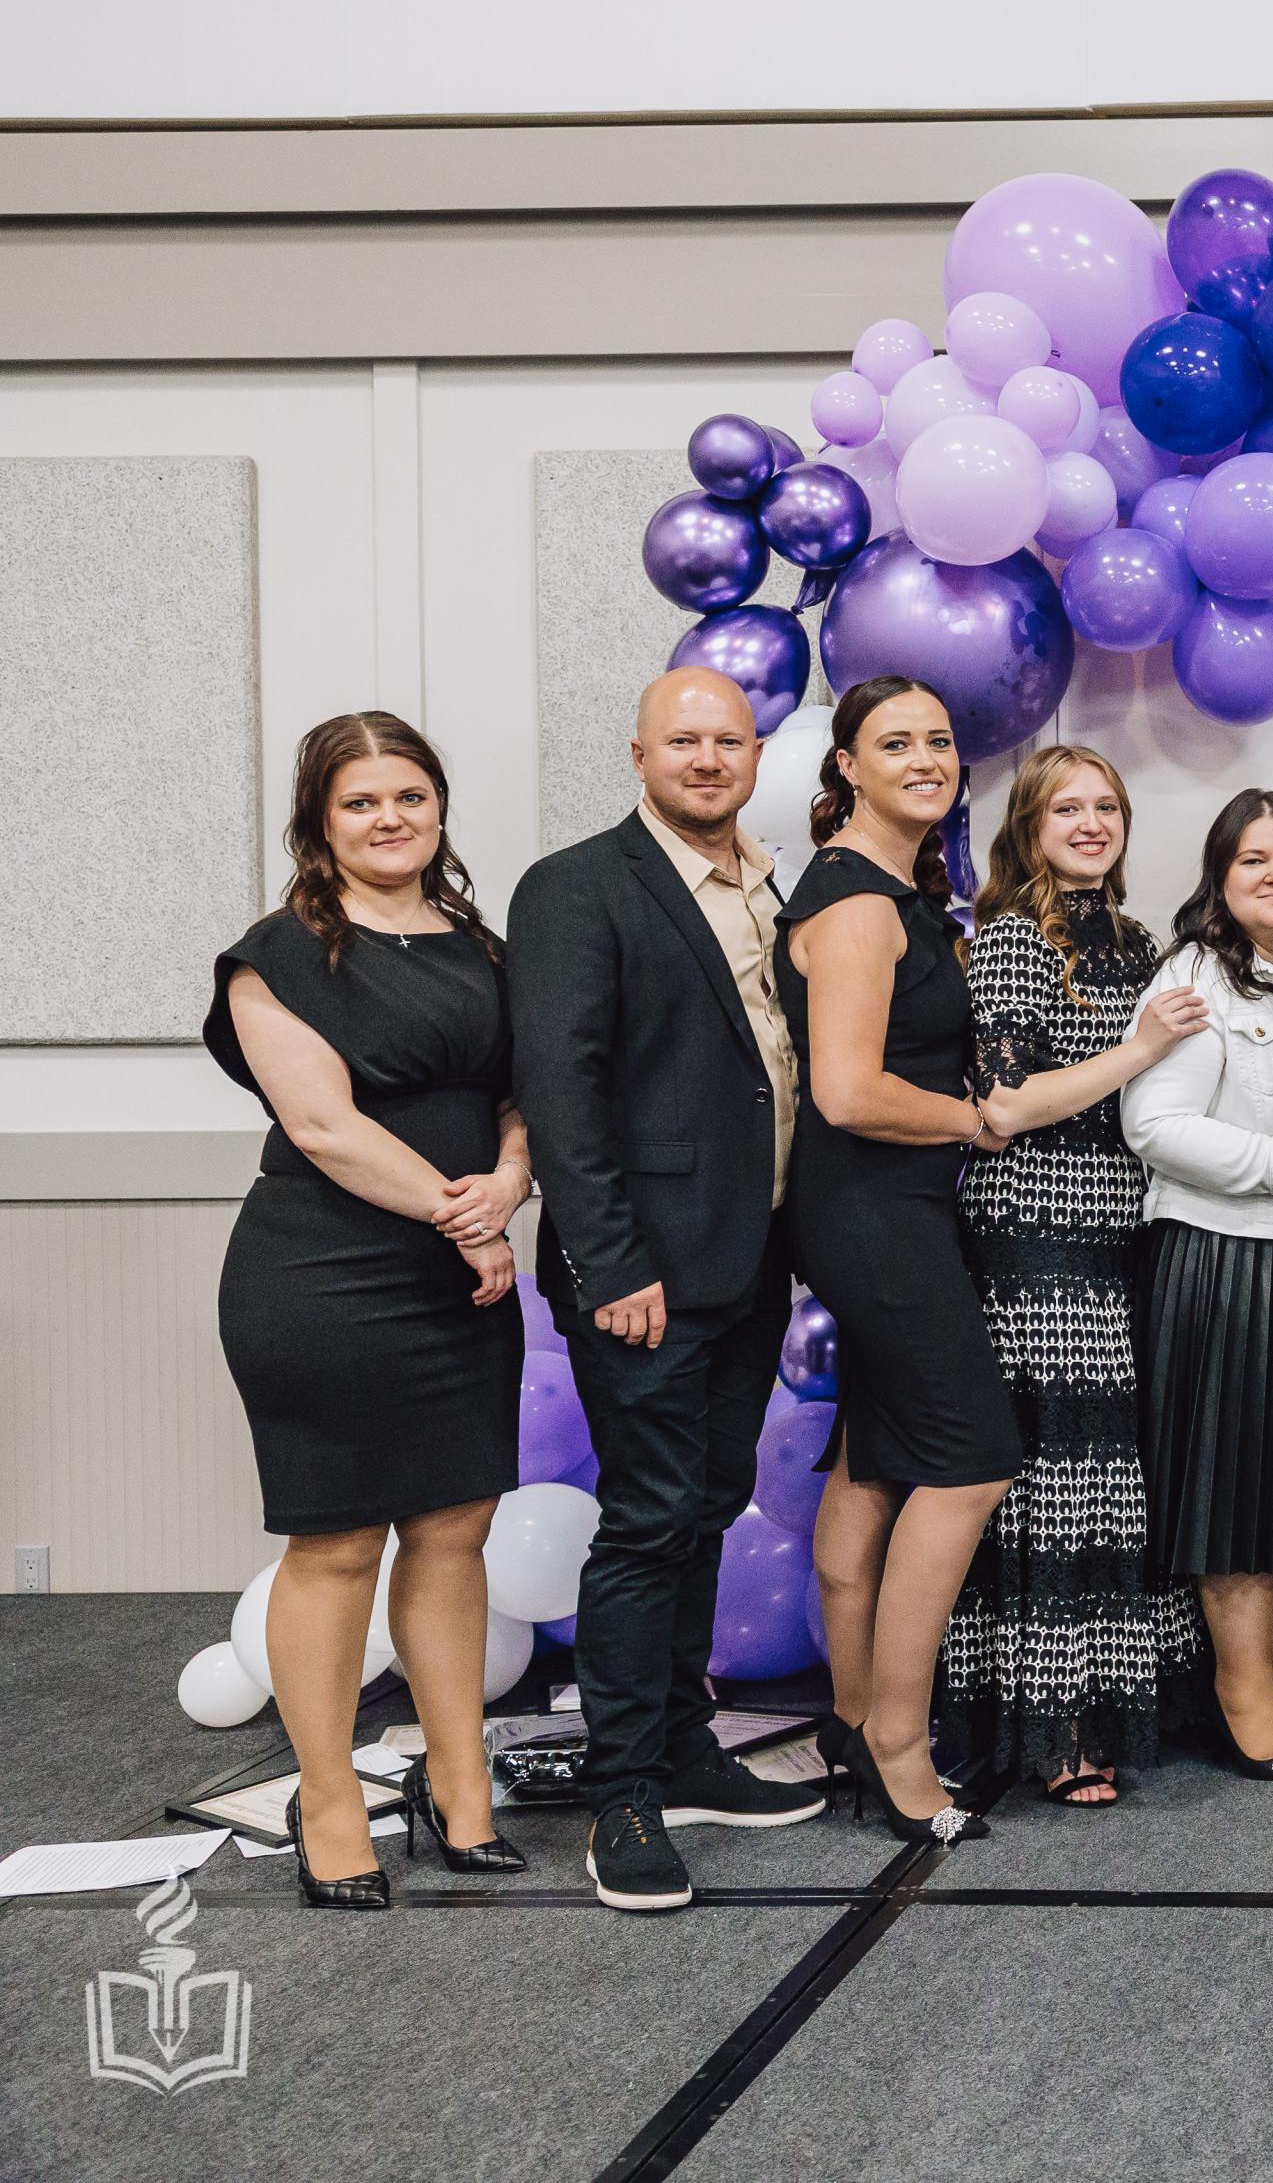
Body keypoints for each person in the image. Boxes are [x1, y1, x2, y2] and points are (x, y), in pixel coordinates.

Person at [512, 668, 827, 1913]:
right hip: (643, 1268)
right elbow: (561, 1087)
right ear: (636, 753)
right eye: (681, 739)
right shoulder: (576, 887)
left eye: (727, 740)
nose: (706, 758)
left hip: (751, 1256)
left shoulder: (771, 883)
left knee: (703, 1504)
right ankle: (624, 1791)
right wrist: (610, 1262)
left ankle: (687, 1746)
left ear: (756, 755)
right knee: (647, 1518)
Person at [207, 713, 529, 1906]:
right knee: (338, 1541)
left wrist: (511, 1177)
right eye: (360, 801)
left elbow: (520, 1095)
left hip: (460, 1278)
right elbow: (324, 1125)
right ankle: (330, 1796)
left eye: (410, 795)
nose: (390, 818)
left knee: (454, 1528)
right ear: (319, 820)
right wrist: (468, 1219)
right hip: (323, 1274)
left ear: (438, 806)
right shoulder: (275, 955)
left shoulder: (485, 948)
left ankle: (459, 1781)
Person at [939, 745, 1212, 1806]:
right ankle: (1053, 1733)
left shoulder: (1138, 942)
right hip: (1035, 1244)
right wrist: (1140, 1048)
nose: (1091, 822)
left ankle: (1109, 1708)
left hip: (1121, 1239)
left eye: (1107, 805)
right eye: (1067, 808)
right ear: (1029, 826)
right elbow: (1003, 1106)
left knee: (1108, 1491)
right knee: (1055, 1491)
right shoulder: (1012, 938)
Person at [781, 677, 1017, 1847]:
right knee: (971, 1459)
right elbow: (846, 1090)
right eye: (894, 742)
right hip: (869, 1209)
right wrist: (973, 1119)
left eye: (939, 738)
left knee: (875, 1458)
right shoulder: (859, 903)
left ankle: (847, 1714)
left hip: (890, 1206)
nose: (925, 756)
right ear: (847, 768)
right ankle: (896, 1742)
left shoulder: (899, 892)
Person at [1122, 787, 1273, 1784]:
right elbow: (1153, 1126)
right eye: (1254, 858)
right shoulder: (1193, 976)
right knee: (1235, 1496)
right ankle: (1243, 1694)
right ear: (1220, 876)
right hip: (1223, 1256)